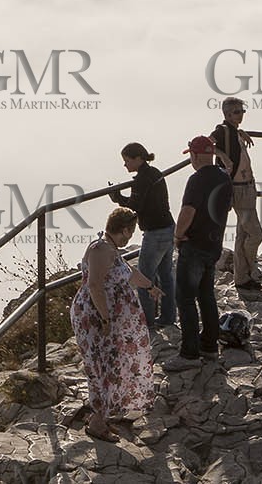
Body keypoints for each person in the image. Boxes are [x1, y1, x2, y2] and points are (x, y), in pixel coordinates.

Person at [69, 207, 160, 441]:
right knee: (103, 369)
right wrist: (106, 319)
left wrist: (150, 287)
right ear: (124, 230)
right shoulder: (101, 250)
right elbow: (95, 286)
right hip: (95, 318)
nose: (131, 237)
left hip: (104, 317)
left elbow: (129, 274)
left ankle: (102, 418)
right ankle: (97, 423)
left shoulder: (110, 248)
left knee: (112, 366)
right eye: (130, 232)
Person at [172, 136, 233, 363]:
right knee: (206, 296)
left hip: (194, 244)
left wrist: (178, 236)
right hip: (213, 244)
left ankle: (188, 354)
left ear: (195, 155)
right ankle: (209, 346)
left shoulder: (196, 180)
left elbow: (188, 211)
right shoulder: (224, 178)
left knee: (185, 298)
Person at [109, 142, 176, 331]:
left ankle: (147, 322)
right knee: (165, 275)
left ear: (138, 158)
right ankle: (168, 317)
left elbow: (135, 207)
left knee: (145, 278)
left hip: (155, 232)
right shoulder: (155, 173)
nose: (125, 165)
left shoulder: (142, 179)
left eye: (127, 160)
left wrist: (118, 199)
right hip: (168, 227)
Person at [211, 97, 262, 291]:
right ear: (227, 114)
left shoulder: (234, 132)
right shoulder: (222, 130)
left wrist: (240, 133)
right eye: (237, 112)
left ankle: (242, 278)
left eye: (242, 111)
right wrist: (222, 155)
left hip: (247, 187)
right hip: (239, 188)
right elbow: (208, 144)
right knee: (256, 234)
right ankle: (251, 269)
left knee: (242, 235)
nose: (240, 115)